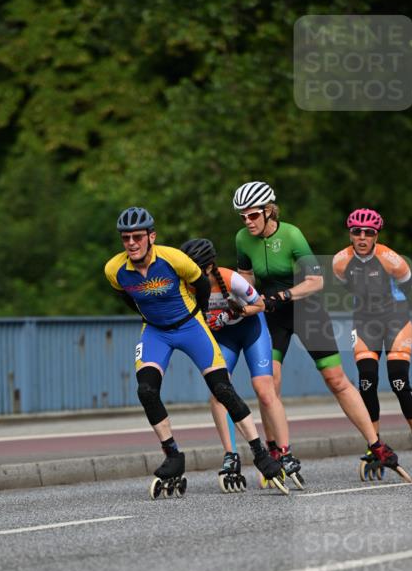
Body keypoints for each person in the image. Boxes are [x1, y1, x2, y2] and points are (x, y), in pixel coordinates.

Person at [104, 206, 286, 496]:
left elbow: (201, 288)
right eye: (125, 238)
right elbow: (126, 297)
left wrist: (196, 316)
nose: (131, 243)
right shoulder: (115, 269)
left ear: (152, 236)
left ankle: (260, 453)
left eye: (137, 236)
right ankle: (173, 455)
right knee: (146, 391)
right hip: (155, 332)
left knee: (222, 389)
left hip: (190, 326)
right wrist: (151, 318)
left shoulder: (175, 260)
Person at [232, 180, 405, 479]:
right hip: (272, 317)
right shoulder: (242, 239)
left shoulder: (291, 234)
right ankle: (275, 450)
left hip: (306, 309)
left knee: (336, 380)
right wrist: (236, 300)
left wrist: (282, 296)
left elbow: (316, 281)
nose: (247, 222)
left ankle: (376, 445)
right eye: (243, 216)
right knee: (267, 384)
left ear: (269, 211)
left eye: (253, 215)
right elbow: (245, 279)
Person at [180, 237, 304, 490]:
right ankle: (230, 455)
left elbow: (260, 304)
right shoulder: (188, 286)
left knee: (264, 389)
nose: (191, 276)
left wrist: (233, 313)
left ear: (208, 267)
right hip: (225, 338)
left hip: (251, 332)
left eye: (195, 271)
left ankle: (285, 452)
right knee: (219, 392)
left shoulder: (230, 278)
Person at [332, 208, 412, 479]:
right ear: (350, 234)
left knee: (399, 380)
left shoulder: (391, 259)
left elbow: (407, 284)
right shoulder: (341, 261)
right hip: (364, 323)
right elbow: (346, 286)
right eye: (357, 232)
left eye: (369, 233)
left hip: (396, 320)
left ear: (377, 235)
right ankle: (374, 443)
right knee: (366, 381)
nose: (362, 237)